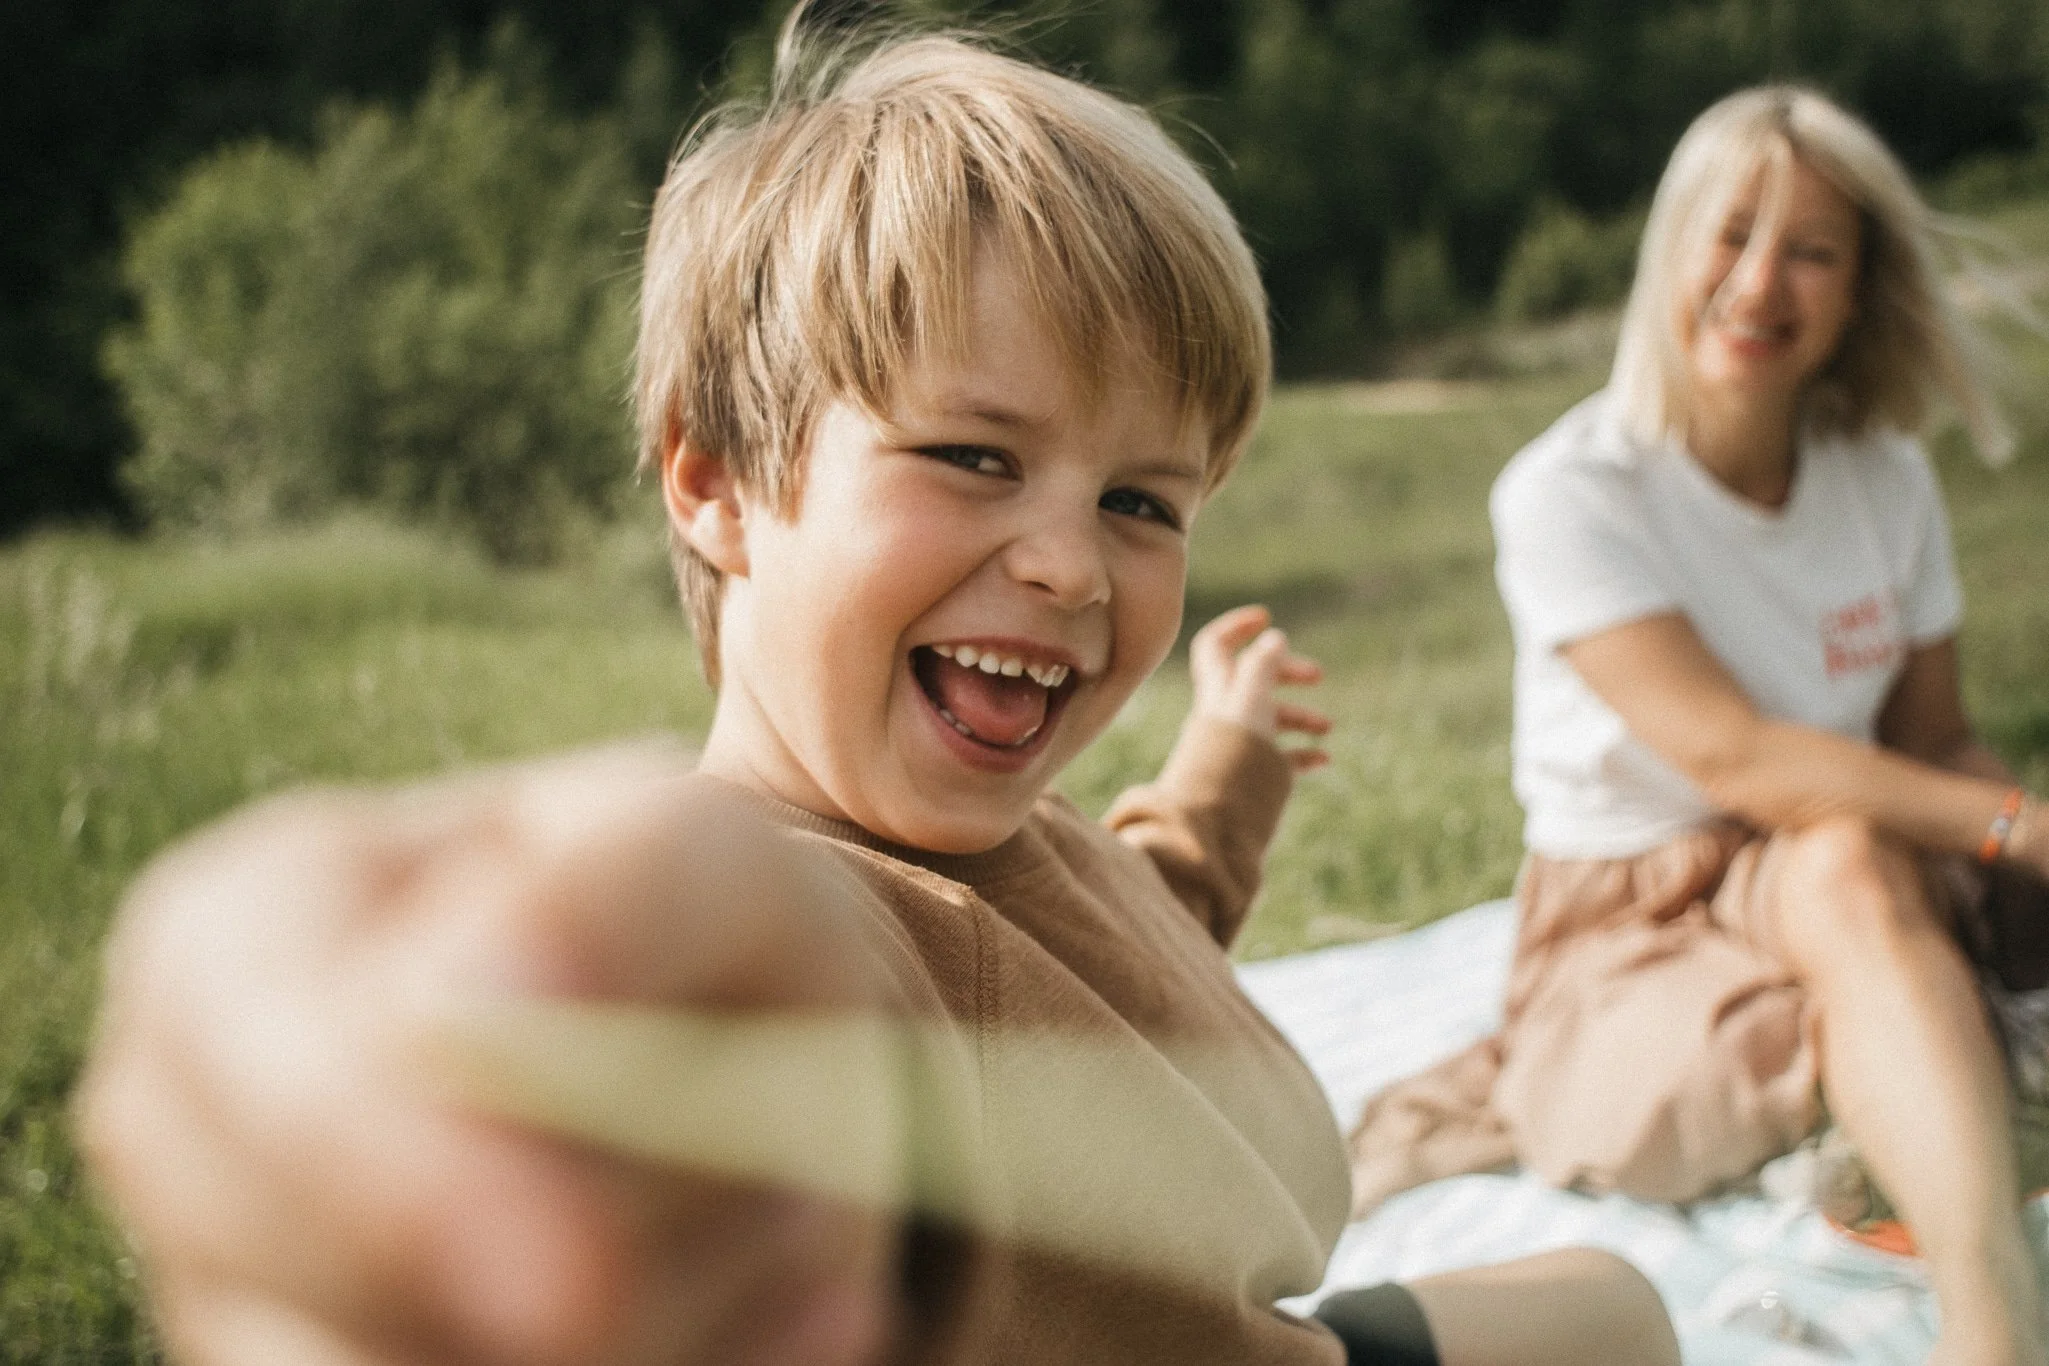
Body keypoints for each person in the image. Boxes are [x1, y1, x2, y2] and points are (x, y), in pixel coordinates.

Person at [72, 11, 1681, 1366]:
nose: (1070, 563)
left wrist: (1220, 781)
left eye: (1141, 500)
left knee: (1615, 1305)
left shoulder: (1003, 833)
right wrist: (420, 1093)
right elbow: (722, 1080)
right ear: (714, 479)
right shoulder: (802, 936)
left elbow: (1121, 941)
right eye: (971, 457)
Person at [1347, 85, 2049, 1366]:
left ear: (1856, 292)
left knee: (1851, 864)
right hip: (1635, 908)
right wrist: (2015, 824)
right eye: (1732, 233)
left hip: (1845, 871)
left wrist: (2020, 869)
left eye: (1812, 250)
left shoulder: (1885, 478)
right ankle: (1951, 1160)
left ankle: (1982, 1308)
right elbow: (1735, 756)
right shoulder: (1572, 491)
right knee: (1859, 887)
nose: (1761, 280)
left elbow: (1937, 739)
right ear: (1670, 246)